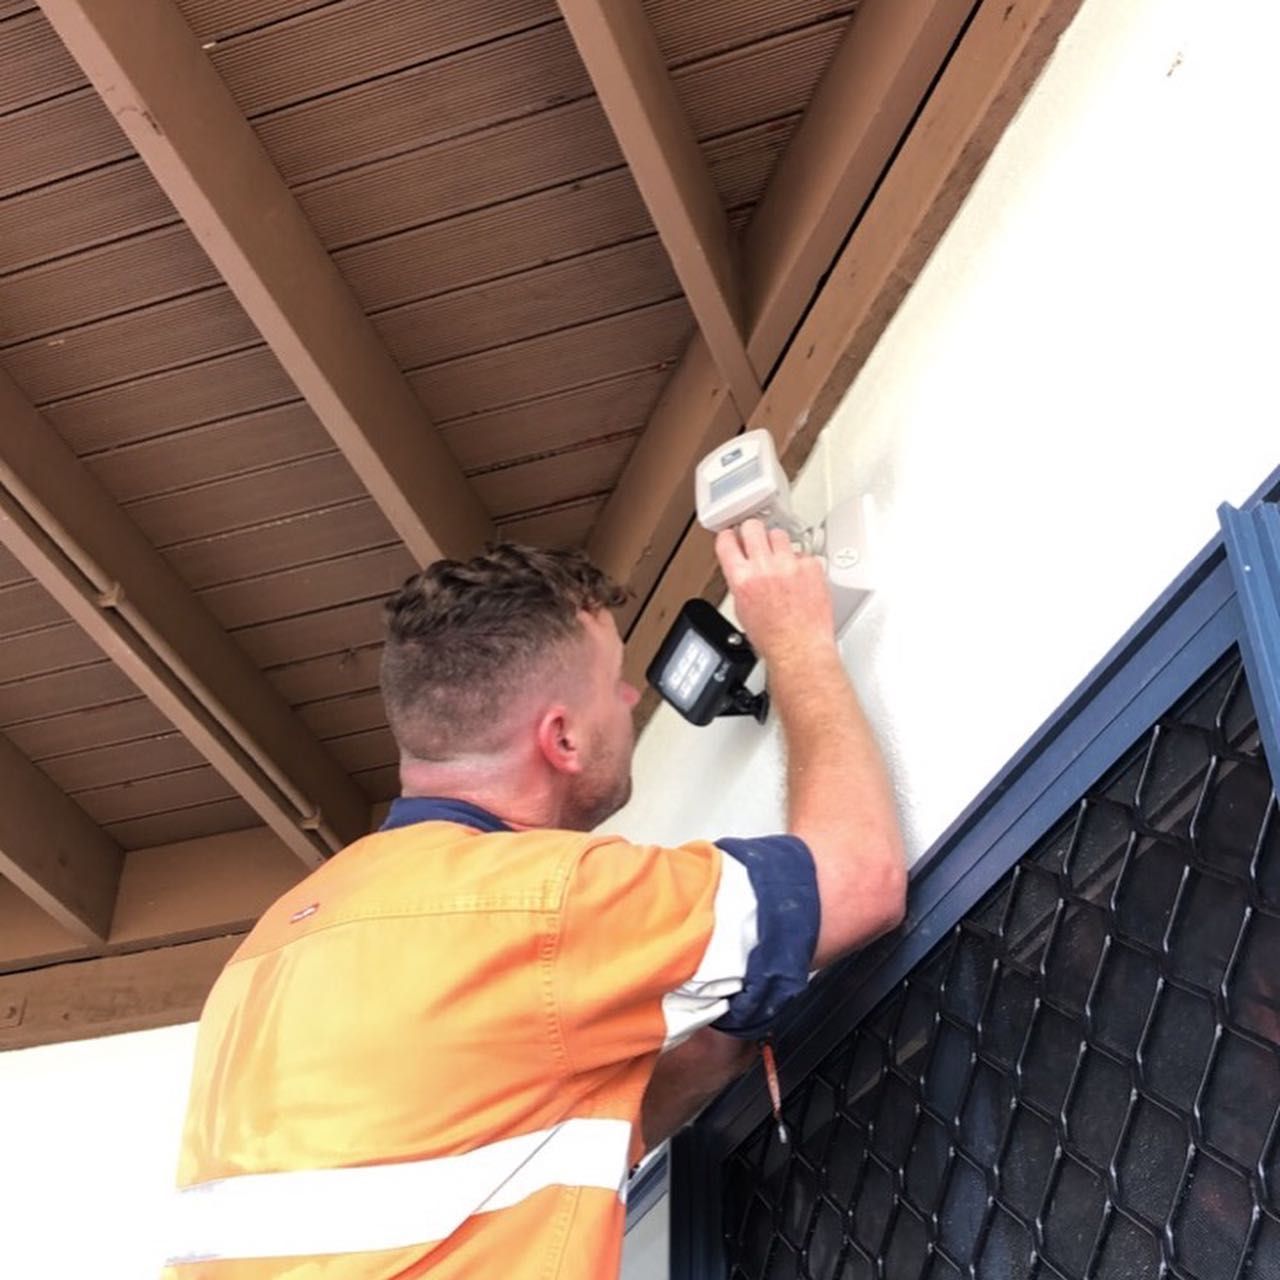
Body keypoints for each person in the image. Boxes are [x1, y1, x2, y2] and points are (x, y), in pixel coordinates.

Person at [162, 519, 906, 1279]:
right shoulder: (549, 900)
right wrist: (798, 645)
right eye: (613, 681)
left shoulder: (268, 955)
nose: (626, 696)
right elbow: (858, 879)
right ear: (563, 739)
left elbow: (491, 1152)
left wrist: (715, 1050)